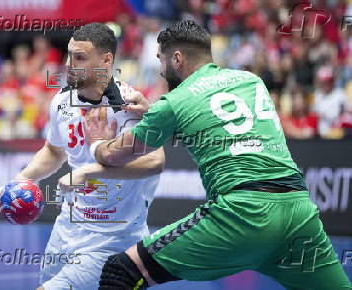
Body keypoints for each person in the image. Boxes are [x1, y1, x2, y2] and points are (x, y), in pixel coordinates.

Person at [81, 20, 352, 289]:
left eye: (160, 61)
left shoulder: (174, 103)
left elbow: (116, 156)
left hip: (242, 215)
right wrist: (153, 111)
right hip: (298, 213)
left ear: (176, 58)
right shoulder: (251, 81)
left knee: (121, 271)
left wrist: (97, 143)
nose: (161, 71)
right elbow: (211, 124)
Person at [0, 23, 164, 290]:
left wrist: (88, 171)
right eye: (69, 55)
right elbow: (54, 151)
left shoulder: (129, 105)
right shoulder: (62, 102)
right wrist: (21, 179)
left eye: (80, 58)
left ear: (106, 60)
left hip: (113, 235)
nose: (69, 64)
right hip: (68, 226)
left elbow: (153, 163)